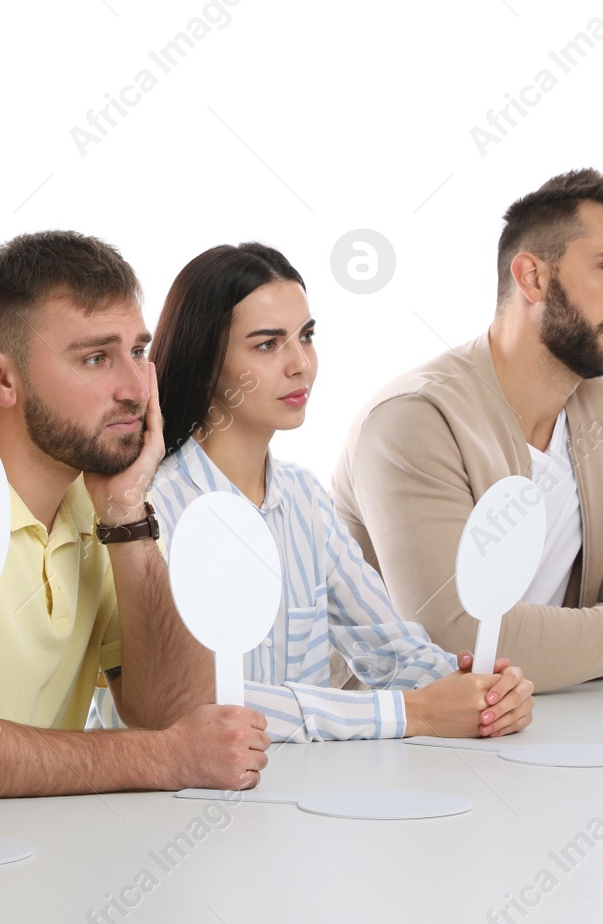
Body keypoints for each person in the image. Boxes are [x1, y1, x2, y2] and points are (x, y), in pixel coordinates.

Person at [0, 230, 269, 798]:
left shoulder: (98, 497)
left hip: (49, 857)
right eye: (96, 358)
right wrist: (162, 759)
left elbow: (175, 711)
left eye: (138, 352)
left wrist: (126, 516)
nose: (135, 389)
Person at [332, 168, 603, 692]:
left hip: (535, 731)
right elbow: (459, 643)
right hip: (386, 750)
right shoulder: (412, 420)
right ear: (532, 277)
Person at [143, 242, 533, 742]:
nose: (300, 364)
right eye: (267, 344)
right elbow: (204, 701)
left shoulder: (305, 499)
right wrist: (414, 714)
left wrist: (482, 694)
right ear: (204, 361)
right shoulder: (153, 509)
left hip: (303, 799)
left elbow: (391, 649)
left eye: (306, 337)